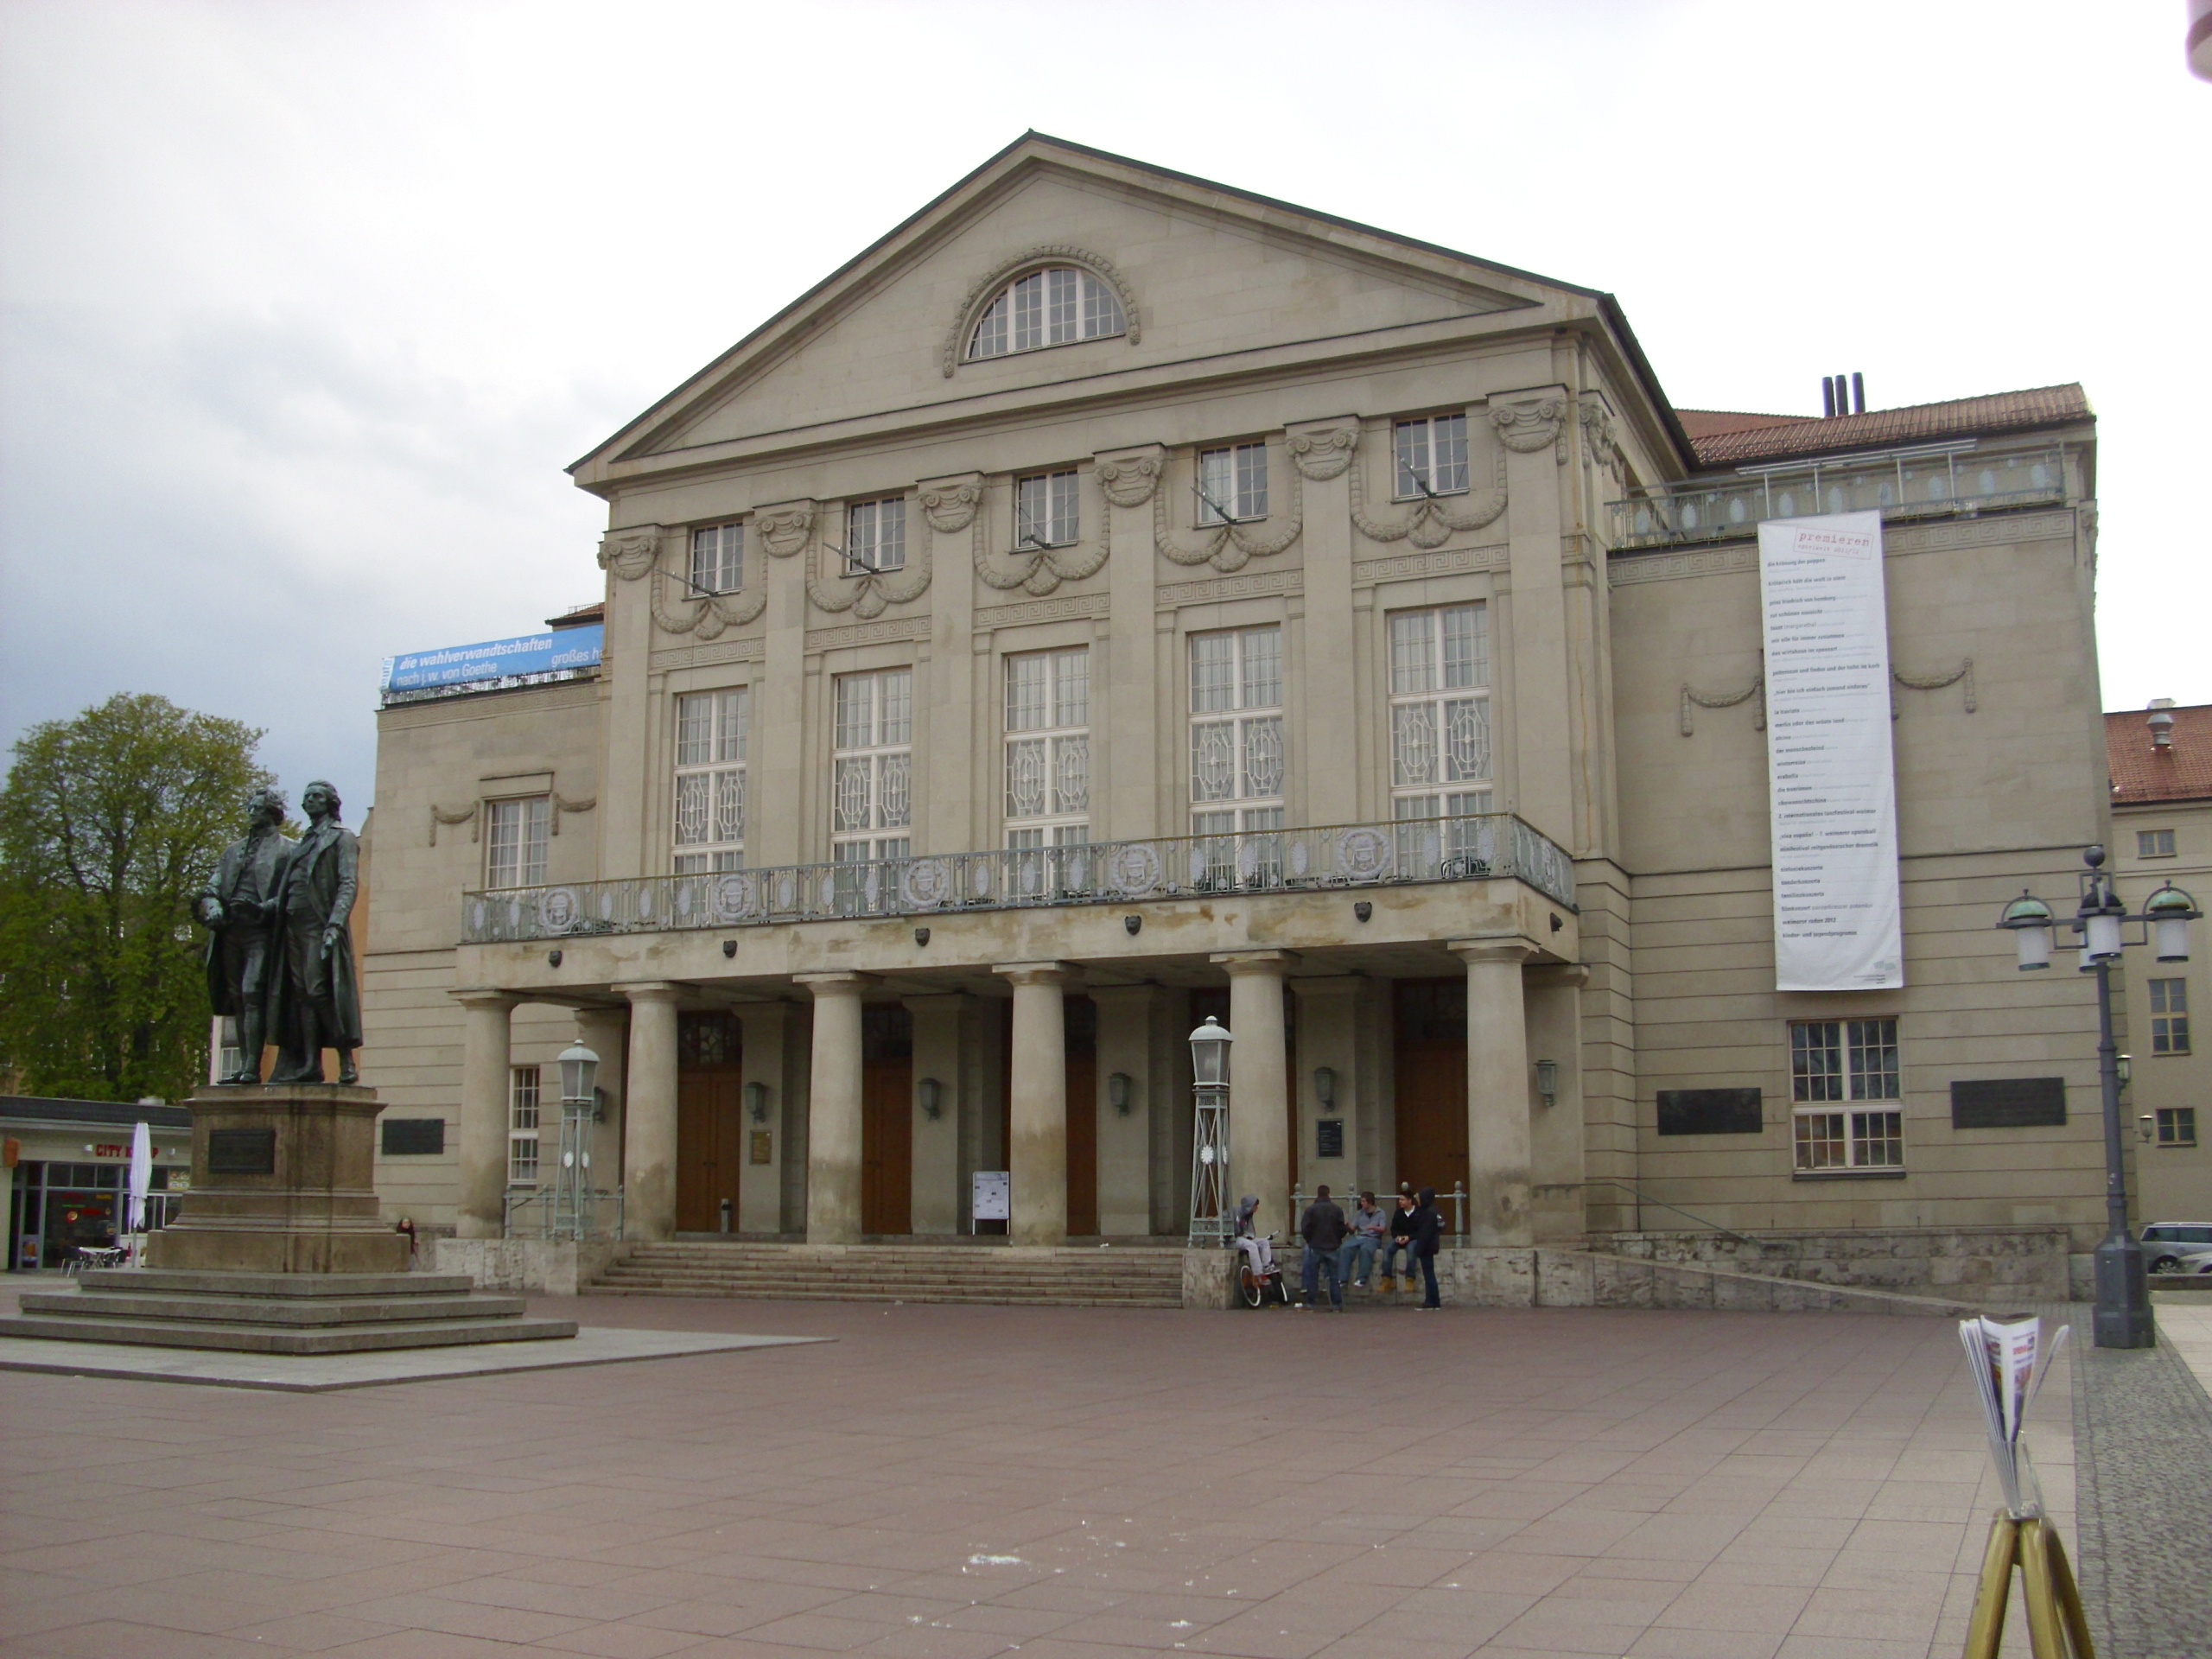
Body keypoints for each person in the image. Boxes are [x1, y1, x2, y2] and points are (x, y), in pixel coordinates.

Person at [265, 779, 364, 1084]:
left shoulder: (341, 838)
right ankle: (310, 1062)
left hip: (318, 924)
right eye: (306, 796)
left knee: (320, 991)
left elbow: (348, 883)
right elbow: (287, 887)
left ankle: (345, 1058)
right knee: (301, 995)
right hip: (292, 926)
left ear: (331, 802)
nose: (309, 800)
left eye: (316, 796)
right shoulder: (303, 841)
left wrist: (335, 923)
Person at [194, 786, 292, 1084]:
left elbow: (293, 894)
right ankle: (246, 1067)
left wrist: (263, 908)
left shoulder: (289, 849)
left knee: (252, 993)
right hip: (229, 932)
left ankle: (252, 1066)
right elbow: (212, 887)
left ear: (272, 812)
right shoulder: (232, 851)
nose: (251, 813)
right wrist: (211, 907)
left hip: (262, 932)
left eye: (257, 808)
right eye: (250, 808)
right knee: (237, 999)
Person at [1297, 1184, 1349, 1311]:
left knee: (1313, 1276)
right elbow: (1342, 1229)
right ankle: (1337, 1304)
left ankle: (1311, 1303)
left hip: (1315, 1246)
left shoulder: (1311, 1210)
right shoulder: (1337, 1209)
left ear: (1317, 1195)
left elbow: (1305, 1229)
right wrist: (1337, 1240)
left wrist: (1311, 1240)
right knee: (1334, 1277)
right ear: (1329, 1194)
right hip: (1332, 1246)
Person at [1337, 1192, 1386, 1289]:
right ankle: (1342, 1279)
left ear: (1370, 1202)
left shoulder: (1381, 1213)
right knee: (1345, 1248)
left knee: (1366, 1250)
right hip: (1360, 1237)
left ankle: (1361, 1279)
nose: (1362, 1203)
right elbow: (1352, 1230)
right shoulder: (1360, 1213)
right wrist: (1346, 1223)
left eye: (1363, 1201)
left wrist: (1373, 1228)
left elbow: (1383, 1229)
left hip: (1373, 1238)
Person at [1230, 1194, 1276, 1287]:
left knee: (1264, 1242)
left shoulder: (1248, 1216)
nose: (1256, 1209)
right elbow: (1223, 1216)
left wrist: (1250, 1237)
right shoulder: (1236, 1212)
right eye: (1255, 1206)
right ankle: (1258, 1274)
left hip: (1243, 1237)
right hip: (1232, 1239)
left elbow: (1249, 1231)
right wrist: (1212, 1218)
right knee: (1252, 1246)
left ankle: (1266, 1266)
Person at [1410, 1185, 1444, 1310]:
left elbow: (1425, 1233)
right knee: (1429, 1274)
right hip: (1431, 1246)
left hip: (1427, 1247)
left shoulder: (1429, 1213)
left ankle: (1432, 1301)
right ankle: (1433, 1300)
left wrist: (1419, 1249)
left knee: (1429, 1275)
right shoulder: (1433, 1211)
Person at [1378, 1191, 1418, 1292]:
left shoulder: (1418, 1212)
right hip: (1400, 1238)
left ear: (1409, 1201)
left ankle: (1410, 1279)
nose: (1400, 1202)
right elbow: (1394, 1228)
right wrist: (1397, 1237)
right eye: (1399, 1199)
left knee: (1411, 1250)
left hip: (1413, 1239)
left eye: (1403, 1199)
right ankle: (1387, 1279)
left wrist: (1409, 1237)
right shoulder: (1398, 1213)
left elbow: (1421, 1230)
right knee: (1387, 1249)